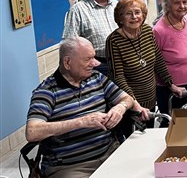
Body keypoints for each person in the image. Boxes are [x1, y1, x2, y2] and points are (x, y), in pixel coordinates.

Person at [26, 37, 147, 178]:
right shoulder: (47, 92)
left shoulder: (96, 78)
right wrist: (80, 122)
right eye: (87, 59)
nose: (94, 64)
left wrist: (120, 107)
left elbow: (127, 98)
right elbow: (32, 132)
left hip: (109, 152)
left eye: (94, 57)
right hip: (70, 166)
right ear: (67, 62)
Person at [106, 0, 184, 136]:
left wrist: (171, 84)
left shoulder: (148, 31)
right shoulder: (114, 41)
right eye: (128, 13)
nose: (134, 17)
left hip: (150, 98)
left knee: (148, 135)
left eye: (137, 12)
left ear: (143, 14)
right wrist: (134, 104)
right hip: (128, 104)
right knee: (132, 140)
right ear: (120, 17)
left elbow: (158, 61)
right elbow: (118, 76)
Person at [153, 0, 187, 118]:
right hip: (173, 89)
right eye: (177, 3)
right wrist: (171, 86)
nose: (182, 6)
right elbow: (155, 62)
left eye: (185, 2)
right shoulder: (159, 30)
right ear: (167, 5)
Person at [63, 0, 118, 76]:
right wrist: (93, 62)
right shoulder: (78, 10)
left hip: (122, 63)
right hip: (97, 66)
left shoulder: (117, 5)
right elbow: (69, 43)